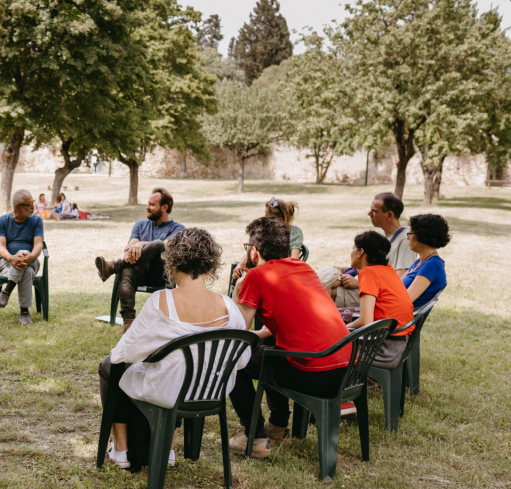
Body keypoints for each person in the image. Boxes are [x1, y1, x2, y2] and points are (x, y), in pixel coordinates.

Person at [99, 229, 250, 470]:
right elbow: (242, 359)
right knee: (180, 369)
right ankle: (168, 449)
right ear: (210, 268)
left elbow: (123, 354)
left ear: (172, 264)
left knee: (110, 365)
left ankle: (120, 449)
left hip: (168, 391)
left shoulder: (161, 301)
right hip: (211, 392)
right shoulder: (230, 307)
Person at [222, 217, 352, 457]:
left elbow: (237, 336)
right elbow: (286, 320)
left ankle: (255, 437)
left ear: (254, 251)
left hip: (315, 374)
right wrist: (261, 335)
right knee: (269, 348)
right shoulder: (302, 267)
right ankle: (279, 427)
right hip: (346, 369)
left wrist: (240, 288)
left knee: (232, 361)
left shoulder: (256, 276)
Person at [94, 188, 185, 331]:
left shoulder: (178, 228)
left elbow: (166, 245)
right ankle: (129, 324)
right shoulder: (140, 224)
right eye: (148, 203)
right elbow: (130, 246)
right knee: (127, 271)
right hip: (139, 272)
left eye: (152, 204)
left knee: (158, 245)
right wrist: (134, 245)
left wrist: (142, 243)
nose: (147, 207)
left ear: (164, 207)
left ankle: (114, 266)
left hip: (161, 275)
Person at [320, 192, 418, 307]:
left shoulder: (405, 239)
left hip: (371, 292)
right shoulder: (380, 235)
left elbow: (399, 279)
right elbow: (369, 265)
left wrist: (358, 283)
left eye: (374, 211)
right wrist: (344, 269)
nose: (369, 213)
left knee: (321, 290)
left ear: (389, 215)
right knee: (327, 274)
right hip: (360, 282)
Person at [344, 232, 415, 368]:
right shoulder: (387, 269)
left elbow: (365, 321)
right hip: (398, 344)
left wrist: (342, 331)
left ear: (360, 252)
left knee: (329, 344)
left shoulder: (368, 273)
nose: (351, 252)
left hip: (383, 350)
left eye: (353, 248)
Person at [0, 189, 44, 325]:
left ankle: (5, 292)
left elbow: (39, 244)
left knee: (24, 254)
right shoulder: (2, 221)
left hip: (32, 261)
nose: (32, 206)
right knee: (27, 271)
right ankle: (24, 313)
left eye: (32, 202)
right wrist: (12, 258)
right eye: (28, 204)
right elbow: (1, 247)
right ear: (17, 207)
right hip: (7, 264)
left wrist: (30, 256)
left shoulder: (36, 220)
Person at [230, 197, 302, 292]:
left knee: (246, 281)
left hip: (280, 273)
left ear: (279, 219)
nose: (264, 219)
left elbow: (294, 261)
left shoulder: (294, 232)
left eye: (267, 216)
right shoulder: (266, 230)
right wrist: (241, 263)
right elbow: (252, 249)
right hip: (264, 269)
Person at [403, 213, 450, 309]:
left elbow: (405, 300)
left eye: (410, 234)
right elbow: (396, 286)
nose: (407, 237)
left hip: (397, 320)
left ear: (422, 237)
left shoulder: (432, 265)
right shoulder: (420, 262)